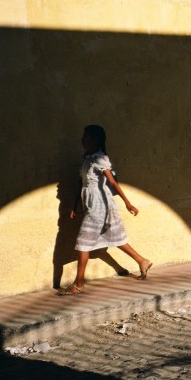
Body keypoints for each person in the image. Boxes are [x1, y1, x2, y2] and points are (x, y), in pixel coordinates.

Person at [59, 125, 152, 295]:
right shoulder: (87, 158)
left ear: (96, 140)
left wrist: (128, 203)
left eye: (87, 136)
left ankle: (79, 283)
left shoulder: (100, 159)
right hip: (91, 203)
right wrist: (74, 205)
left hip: (100, 205)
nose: (83, 139)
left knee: (83, 244)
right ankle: (142, 261)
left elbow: (113, 182)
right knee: (115, 237)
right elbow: (82, 183)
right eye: (83, 136)